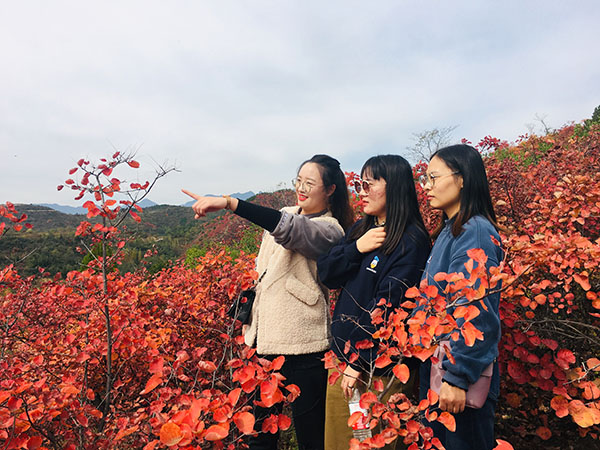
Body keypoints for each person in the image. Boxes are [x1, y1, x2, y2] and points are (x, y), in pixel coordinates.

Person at [183, 154, 354, 450]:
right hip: (262, 343)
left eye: (310, 183)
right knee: (259, 437)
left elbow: (289, 230)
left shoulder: (330, 229)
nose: (301, 188)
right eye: (298, 180)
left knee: (311, 437)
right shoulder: (287, 211)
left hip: (305, 346)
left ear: (330, 190)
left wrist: (230, 203)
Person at [317, 155, 431, 450]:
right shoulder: (361, 230)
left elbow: (391, 305)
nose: (362, 192)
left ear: (395, 187)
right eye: (359, 184)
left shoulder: (410, 241)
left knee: (372, 442)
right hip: (343, 362)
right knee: (339, 443)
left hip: (376, 371)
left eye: (369, 184)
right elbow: (327, 273)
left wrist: (358, 360)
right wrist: (356, 248)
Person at [418, 144, 503, 450]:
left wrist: (457, 377)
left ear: (462, 178)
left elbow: (475, 312)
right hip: (441, 367)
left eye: (433, 177)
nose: (426, 186)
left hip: (458, 376)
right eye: (425, 178)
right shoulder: (451, 230)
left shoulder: (474, 232)